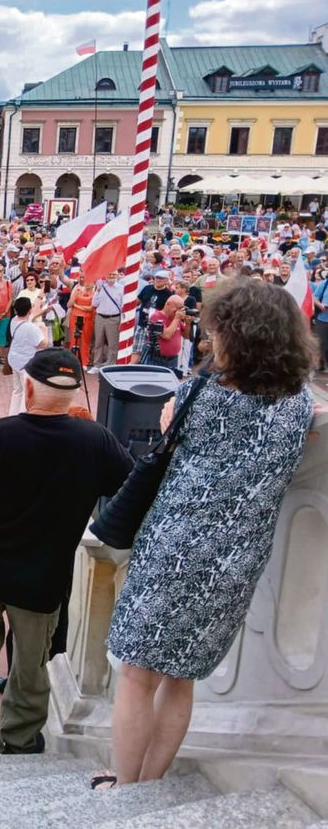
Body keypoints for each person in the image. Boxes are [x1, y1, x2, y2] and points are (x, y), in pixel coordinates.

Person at [100, 280, 315, 789]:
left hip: (174, 546)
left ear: (235, 336)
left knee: (136, 675)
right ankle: (151, 780)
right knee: (182, 677)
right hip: (237, 561)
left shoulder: (198, 394)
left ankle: (125, 785)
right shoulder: (299, 405)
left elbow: (169, 438)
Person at [0, 349, 132, 756]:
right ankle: (20, 738)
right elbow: (132, 489)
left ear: (29, 386)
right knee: (31, 665)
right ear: (71, 394)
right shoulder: (96, 441)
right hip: (43, 575)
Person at [7, 297, 47, 416]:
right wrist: (44, 330)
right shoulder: (31, 328)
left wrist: (40, 296)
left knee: (17, 390)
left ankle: (12, 415)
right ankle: (21, 417)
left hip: (14, 360)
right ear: (29, 310)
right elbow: (43, 344)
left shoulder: (14, 320)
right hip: (26, 364)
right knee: (27, 392)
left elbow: (33, 313)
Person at [89, 270, 124, 372]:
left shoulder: (121, 289)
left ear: (117, 276)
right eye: (110, 274)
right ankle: (97, 365)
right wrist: (98, 291)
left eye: (114, 274)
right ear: (105, 275)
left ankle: (110, 365)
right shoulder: (101, 287)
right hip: (100, 317)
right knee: (98, 342)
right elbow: (94, 304)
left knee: (113, 344)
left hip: (114, 318)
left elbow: (123, 305)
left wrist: (121, 321)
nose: (112, 276)